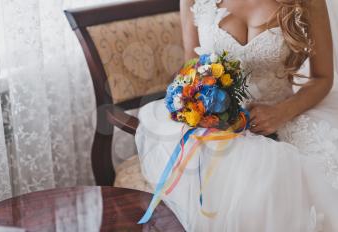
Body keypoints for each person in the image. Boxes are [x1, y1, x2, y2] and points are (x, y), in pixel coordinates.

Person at [135, 0, 338, 231]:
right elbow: (192, 69)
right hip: (217, 127)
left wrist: (282, 112)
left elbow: (323, 78)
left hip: (284, 116)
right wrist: (204, 112)